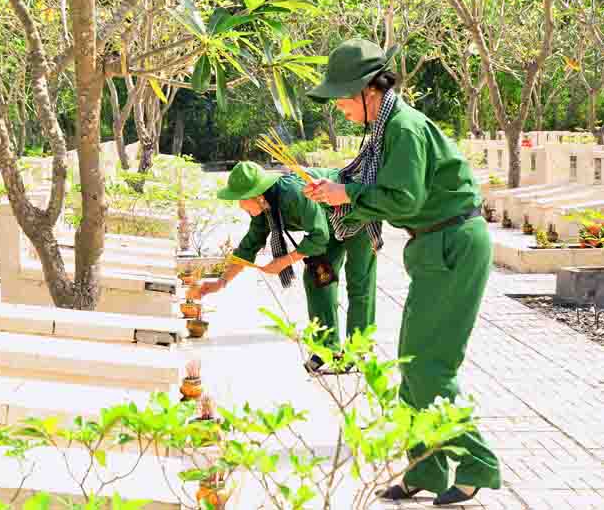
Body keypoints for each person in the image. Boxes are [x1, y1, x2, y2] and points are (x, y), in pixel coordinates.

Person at [303, 38, 501, 506]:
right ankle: (425, 469)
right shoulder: (387, 128)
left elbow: (405, 199)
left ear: (369, 90)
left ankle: (478, 464)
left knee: (431, 366)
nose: (340, 109)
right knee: (411, 365)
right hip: (436, 246)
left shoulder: (404, 129)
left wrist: (348, 194)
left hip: (452, 245)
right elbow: (388, 192)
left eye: (342, 98)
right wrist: (338, 191)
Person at [189, 160, 376, 373]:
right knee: (317, 278)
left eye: (241, 199)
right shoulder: (264, 207)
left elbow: (318, 236)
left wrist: (285, 261)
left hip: (358, 213)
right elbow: (249, 246)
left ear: (257, 195)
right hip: (329, 223)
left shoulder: (293, 194)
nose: (240, 206)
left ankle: (357, 352)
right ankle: (326, 348)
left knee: (359, 282)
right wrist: (221, 282)